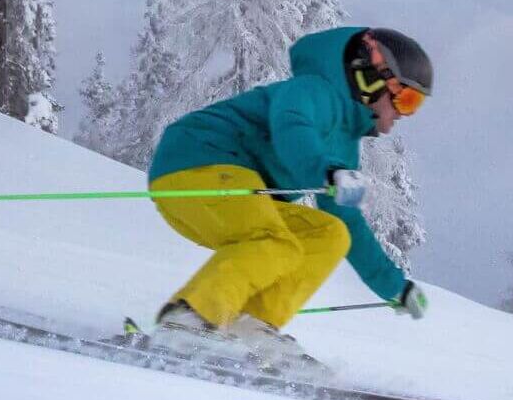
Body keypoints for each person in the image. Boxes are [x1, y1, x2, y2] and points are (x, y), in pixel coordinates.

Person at [143, 26, 433, 366]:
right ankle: (190, 317)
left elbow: (348, 224)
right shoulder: (313, 90)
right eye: (406, 98)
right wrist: (324, 170)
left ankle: (252, 325)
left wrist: (394, 287)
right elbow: (292, 125)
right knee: (274, 240)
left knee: (328, 234)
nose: (403, 113)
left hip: (239, 192)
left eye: (416, 105)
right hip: (197, 162)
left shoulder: (345, 145)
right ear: (371, 77)